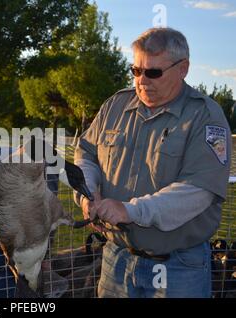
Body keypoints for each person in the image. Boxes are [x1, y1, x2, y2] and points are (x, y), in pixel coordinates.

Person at [74, 27, 231, 298]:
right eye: (136, 70)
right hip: (116, 259)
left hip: (179, 269)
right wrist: (88, 194)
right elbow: (85, 153)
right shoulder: (115, 106)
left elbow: (198, 190)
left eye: (153, 72)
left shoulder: (206, 117)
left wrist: (130, 211)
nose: (142, 81)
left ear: (183, 69)